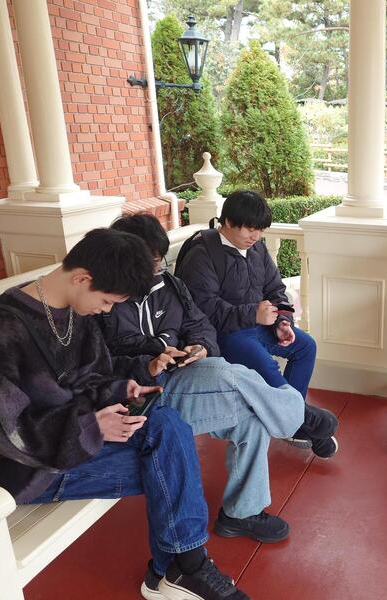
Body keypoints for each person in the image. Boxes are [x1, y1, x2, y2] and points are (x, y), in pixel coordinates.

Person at [0, 229, 249, 600]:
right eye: (107, 301)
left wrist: (123, 388)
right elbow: (3, 431)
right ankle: (179, 569)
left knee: (168, 425)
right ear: (82, 278)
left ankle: (179, 569)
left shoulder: (74, 312)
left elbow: (91, 377)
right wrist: (91, 427)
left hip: (70, 441)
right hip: (24, 467)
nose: (107, 311)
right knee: (171, 462)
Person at [103, 214, 337, 552]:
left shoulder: (169, 286)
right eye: (149, 265)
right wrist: (150, 362)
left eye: (158, 263)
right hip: (142, 398)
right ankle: (298, 416)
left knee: (250, 417)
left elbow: (200, 324)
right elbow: (99, 367)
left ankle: (241, 514)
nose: (156, 271)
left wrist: (199, 346)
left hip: (181, 377)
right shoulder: (101, 302)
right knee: (229, 374)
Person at [175, 190, 339, 459]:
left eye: (260, 230)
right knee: (264, 363)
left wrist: (283, 322)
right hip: (225, 335)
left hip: (259, 326)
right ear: (228, 222)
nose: (256, 236)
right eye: (250, 229)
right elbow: (204, 310)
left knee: (305, 346)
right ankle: (299, 420)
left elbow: (276, 290)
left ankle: (292, 419)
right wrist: (253, 314)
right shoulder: (202, 255)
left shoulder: (257, 249)